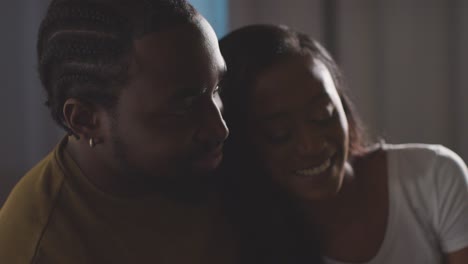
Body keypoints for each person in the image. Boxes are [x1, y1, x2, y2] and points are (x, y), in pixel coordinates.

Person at [0, 0, 238, 263]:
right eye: (183, 106)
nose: (220, 129)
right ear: (85, 120)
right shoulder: (38, 249)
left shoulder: (220, 164)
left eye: (216, 89)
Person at [218, 24, 468, 264]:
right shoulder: (238, 239)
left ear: (343, 106)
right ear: (241, 143)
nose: (312, 144)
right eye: (280, 133)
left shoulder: (432, 177)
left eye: (322, 115)